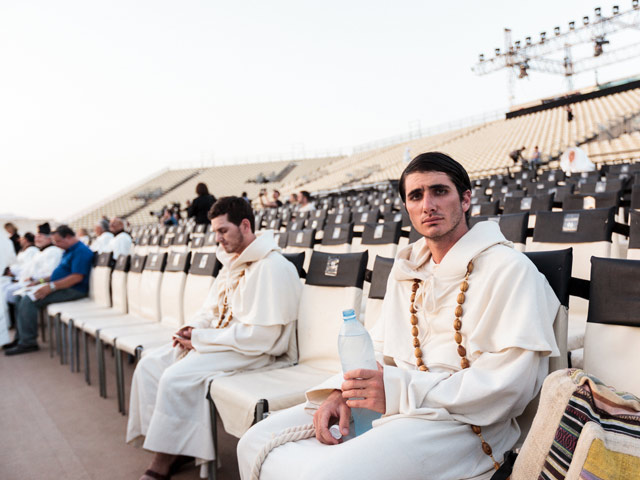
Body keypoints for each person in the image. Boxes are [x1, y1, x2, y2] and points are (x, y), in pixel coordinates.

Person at [237, 152, 561, 480]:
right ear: (406, 207)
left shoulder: (510, 270)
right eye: (415, 196)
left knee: (325, 474)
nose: (427, 205)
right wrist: (342, 392)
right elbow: (379, 348)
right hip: (398, 402)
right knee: (253, 441)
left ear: (465, 199)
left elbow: (509, 386)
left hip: (466, 426)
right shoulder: (407, 271)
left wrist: (396, 389)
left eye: (439, 191)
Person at [126, 196, 302, 480]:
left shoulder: (272, 267)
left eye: (223, 231)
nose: (217, 239)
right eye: (215, 232)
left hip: (255, 350)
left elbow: (263, 338)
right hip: (224, 341)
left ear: (245, 225)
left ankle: (162, 461)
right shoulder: (232, 263)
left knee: (175, 378)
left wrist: (201, 339)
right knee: (150, 365)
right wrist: (191, 329)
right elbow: (210, 310)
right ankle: (176, 446)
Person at [4, 225, 94, 356]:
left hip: (74, 290)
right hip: (62, 286)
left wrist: (51, 287)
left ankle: (28, 342)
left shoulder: (81, 251)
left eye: (58, 241)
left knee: (29, 300)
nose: (56, 245)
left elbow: (76, 277)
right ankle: (20, 338)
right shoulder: (68, 250)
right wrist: (40, 282)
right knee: (19, 297)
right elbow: (59, 274)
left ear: (68, 237)